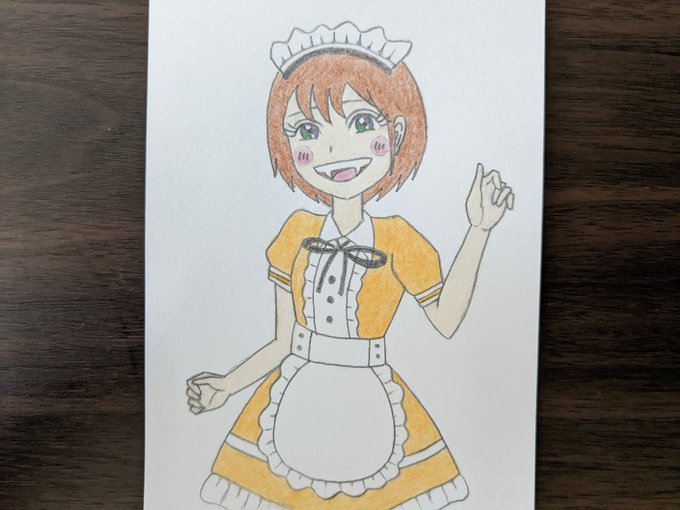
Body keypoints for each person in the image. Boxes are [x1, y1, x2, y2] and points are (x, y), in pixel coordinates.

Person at [186, 22, 514, 510]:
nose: (334, 150)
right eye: (308, 131)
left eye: (361, 123)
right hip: (294, 393)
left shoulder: (399, 239)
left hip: (372, 399)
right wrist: (227, 386)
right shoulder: (295, 233)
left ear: (396, 132)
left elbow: (446, 319)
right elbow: (282, 340)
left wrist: (479, 229)